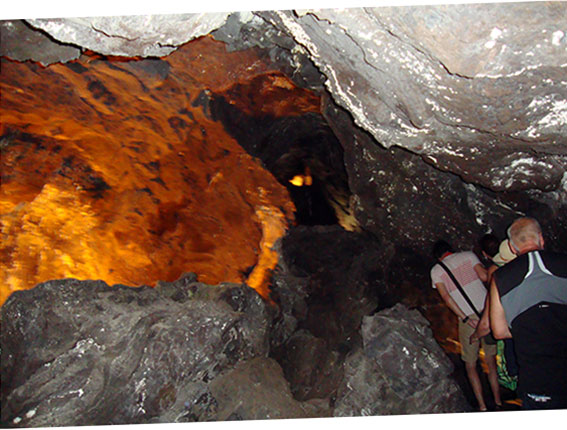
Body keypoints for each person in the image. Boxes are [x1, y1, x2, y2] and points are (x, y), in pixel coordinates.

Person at [490, 217, 567, 409]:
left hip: (538, 379)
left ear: (512, 246)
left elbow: (499, 331)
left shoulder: (500, 278)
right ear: (541, 238)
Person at [430, 240, 502, 411]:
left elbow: (447, 298)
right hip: (488, 311)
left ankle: (482, 406)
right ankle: (499, 402)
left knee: (471, 365)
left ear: (438, 257)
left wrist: (464, 318)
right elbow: (485, 277)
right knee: (491, 361)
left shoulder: (437, 270)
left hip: (469, 318)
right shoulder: (468, 256)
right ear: (451, 249)